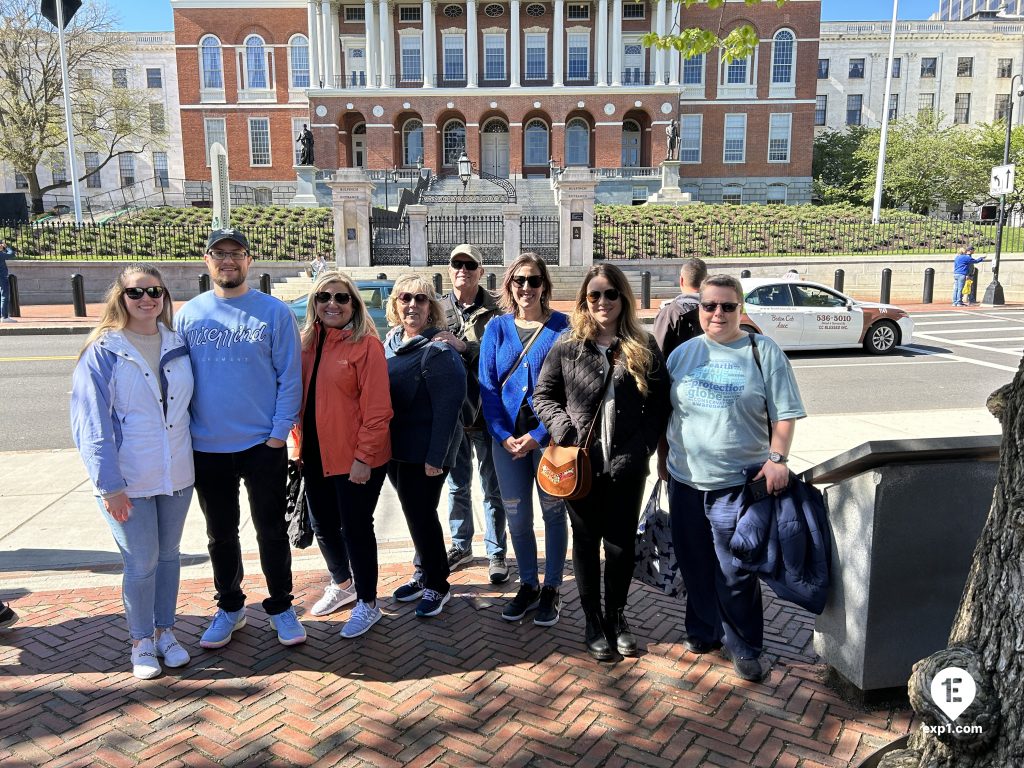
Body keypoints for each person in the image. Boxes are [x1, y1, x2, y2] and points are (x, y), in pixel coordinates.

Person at [659, 274, 806, 682]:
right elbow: (668, 413)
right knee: (694, 563)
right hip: (685, 479)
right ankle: (703, 630)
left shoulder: (763, 351)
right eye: (710, 306)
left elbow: (785, 412)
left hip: (737, 483)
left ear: (741, 309)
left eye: (727, 306)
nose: (718, 313)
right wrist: (662, 458)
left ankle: (743, 644)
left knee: (736, 569)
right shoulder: (683, 355)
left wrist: (778, 459)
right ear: (699, 309)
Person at [175, 228, 305, 649]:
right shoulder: (189, 314)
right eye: (218, 253)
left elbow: (290, 376)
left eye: (236, 253)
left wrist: (277, 433)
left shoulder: (274, 312)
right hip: (207, 446)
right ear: (206, 260)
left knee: (271, 531)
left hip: (261, 445)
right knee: (220, 534)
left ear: (249, 261)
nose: (227, 260)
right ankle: (230, 606)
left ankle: (282, 606)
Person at [534, 263, 669, 661]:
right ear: (584, 300)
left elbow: (660, 404)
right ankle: (593, 620)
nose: (603, 301)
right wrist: (564, 429)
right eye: (595, 295)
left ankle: (617, 616)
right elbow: (543, 395)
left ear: (623, 298)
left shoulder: (642, 345)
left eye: (611, 293)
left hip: (627, 465)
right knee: (587, 542)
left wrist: (643, 446)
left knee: (621, 546)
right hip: (581, 467)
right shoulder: (567, 345)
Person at [70, 264, 194, 679]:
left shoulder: (178, 343)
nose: (146, 299)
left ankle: (165, 633)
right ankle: (140, 641)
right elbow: (92, 425)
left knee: (170, 557)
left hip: (175, 474)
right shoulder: (104, 350)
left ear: (164, 297)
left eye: (154, 291)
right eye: (136, 293)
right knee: (142, 562)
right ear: (119, 299)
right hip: (127, 479)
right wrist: (110, 486)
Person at [293, 271, 393, 638]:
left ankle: (368, 602)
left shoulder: (366, 345)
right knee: (321, 525)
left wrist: (364, 458)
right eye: (324, 297)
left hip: (357, 456)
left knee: (355, 528)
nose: (331, 304)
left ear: (354, 304)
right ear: (314, 304)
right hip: (316, 453)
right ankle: (343, 583)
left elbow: (378, 409)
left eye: (341, 297)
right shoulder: (305, 344)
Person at [479, 254, 570, 626]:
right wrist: (502, 436)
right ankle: (528, 584)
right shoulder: (496, 328)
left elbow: (569, 390)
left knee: (553, 514)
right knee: (516, 515)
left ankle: (551, 588)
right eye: (519, 281)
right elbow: (486, 388)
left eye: (534, 281)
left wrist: (537, 436)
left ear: (545, 285)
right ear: (509, 286)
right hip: (507, 442)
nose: (526, 288)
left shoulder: (563, 327)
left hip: (549, 441)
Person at [384, 275, 466, 618]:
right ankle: (423, 573)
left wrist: (436, 458)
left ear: (431, 307)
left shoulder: (439, 350)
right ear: (395, 304)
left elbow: (449, 409)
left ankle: (438, 584)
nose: (412, 305)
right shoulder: (389, 342)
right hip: (396, 450)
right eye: (405, 298)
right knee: (414, 515)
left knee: (422, 515)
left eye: (420, 299)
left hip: (428, 453)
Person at [436, 243, 509, 583]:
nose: (462, 269)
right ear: (449, 270)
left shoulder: (497, 309)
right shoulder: (436, 309)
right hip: (452, 413)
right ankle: (461, 545)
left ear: (481, 270)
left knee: (492, 487)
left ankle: (496, 553)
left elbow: (507, 353)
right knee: (457, 485)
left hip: (488, 409)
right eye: (457, 264)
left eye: (470, 264)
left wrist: (466, 347)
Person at [652, 257, 707, 360]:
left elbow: (657, 354)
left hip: (674, 374)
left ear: (681, 280)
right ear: (705, 280)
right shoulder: (717, 311)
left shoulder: (669, 314)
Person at [0, 239, 14, 323]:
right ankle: (4, 317)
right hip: (2, 277)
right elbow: (12, 254)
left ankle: (2, 315)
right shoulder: (1, 255)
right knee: (4, 296)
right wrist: (7, 247)